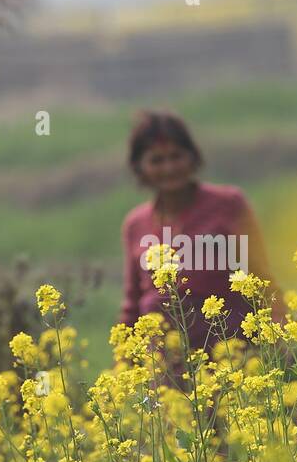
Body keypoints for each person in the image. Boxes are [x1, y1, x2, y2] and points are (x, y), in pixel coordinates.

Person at [119, 109, 285, 354]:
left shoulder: (229, 205)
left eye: (176, 156)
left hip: (232, 357)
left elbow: (262, 278)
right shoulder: (136, 224)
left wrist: (278, 337)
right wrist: (123, 362)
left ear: (193, 157)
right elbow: (132, 305)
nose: (169, 168)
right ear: (139, 168)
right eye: (157, 160)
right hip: (166, 369)